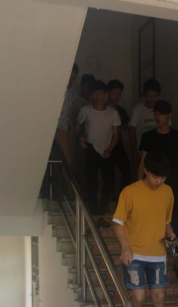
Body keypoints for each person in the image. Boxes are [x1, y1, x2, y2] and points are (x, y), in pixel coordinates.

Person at [112, 152, 176, 307]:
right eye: (156, 176)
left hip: (158, 254)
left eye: (163, 177)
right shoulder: (130, 192)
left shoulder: (168, 192)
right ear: (146, 170)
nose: (159, 181)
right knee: (138, 298)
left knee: (160, 298)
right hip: (135, 254)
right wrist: (125, 246)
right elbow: (117, 223)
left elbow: (166, 222)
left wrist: (171, 236)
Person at [138, 100, 178, 278]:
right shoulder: (148, 137)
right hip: (150, 186)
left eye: (160, 114)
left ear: (169, 116)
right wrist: (138, 184)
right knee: (150, 221)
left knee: (175, 221)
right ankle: (150, 259)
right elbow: (142, 161)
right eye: (155, 114)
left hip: (172, 184)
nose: (157, 117)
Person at [76, 81, 121, 227]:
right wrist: (81, 137)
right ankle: (95, 214)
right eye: (95, 93)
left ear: (105, 94)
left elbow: (116, 135)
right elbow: (77, 127)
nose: (98, 96)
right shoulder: (85, 110)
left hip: (107, 150)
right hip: (91, 149)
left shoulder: (113, 113)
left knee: (109, 182)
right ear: (91, 95)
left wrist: (109, 149)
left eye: (100, 93)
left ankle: (100, 212)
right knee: (92, 182)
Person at [106, 79, 133, 195]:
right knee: (109, 175)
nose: (116, 97)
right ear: (108, 92)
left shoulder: (121, 111)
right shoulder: (102, 108)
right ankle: (111, 199)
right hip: (104, 145)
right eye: (114, 93)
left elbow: (126, 126)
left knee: (127, 172)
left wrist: (127, 130)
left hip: (118, 145)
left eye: (119, 94)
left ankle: (122, 198)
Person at [129, 78, 165, 165]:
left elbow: (168, 129)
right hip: (142, 152)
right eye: (149, 96)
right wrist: (134, 151)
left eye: (155, 96)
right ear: (145, 95)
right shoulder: (137, 109)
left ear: (159, 95)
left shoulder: (164, 109)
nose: (152, 99)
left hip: (160, 152)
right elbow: (132, 131)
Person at [55, 63, 80, 166]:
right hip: (59, 128)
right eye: (70, 78)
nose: (71, 81)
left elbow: (75, 113)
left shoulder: (75, 94)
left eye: (74, 79)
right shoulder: (57, 90)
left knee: (72, 156)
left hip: (71, 130)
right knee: (67, 159)